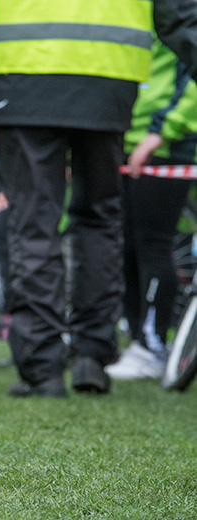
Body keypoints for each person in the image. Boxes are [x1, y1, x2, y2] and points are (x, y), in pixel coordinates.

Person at [0, 0, 197, 397]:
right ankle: (92, 357)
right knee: (100, 219)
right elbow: (181, 16)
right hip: (111, 80)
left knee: (34, 222)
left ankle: (42, 367)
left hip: (24, 79)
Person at [106, 36, 197, 381]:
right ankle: (139, 341)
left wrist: (162, 132)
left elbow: (189, 77)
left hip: (168, 144)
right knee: (128, 246)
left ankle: (154, 344)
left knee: (153, 244)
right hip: (127, 139)